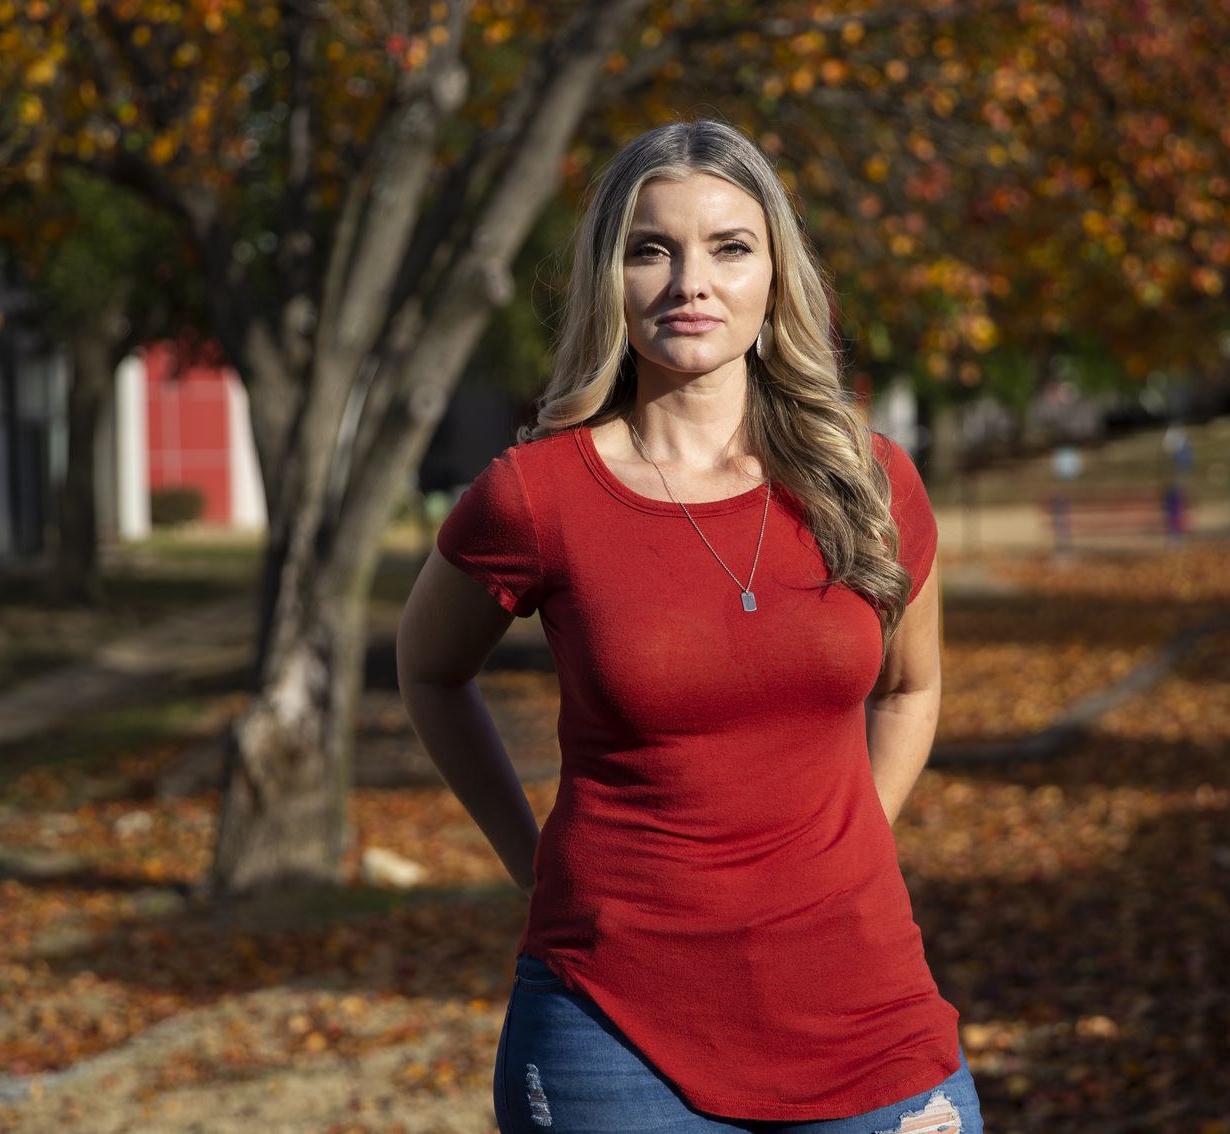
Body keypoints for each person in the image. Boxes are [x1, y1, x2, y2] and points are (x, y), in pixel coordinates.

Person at [396, 120, 982, 1134]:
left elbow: (910, 686)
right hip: (611, 1027)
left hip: (866, 1010)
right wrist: (534, 868)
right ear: (608, 278)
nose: (688, 282)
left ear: (775, 275)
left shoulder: (872, 482)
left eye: (728, 246)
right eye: (649, 248)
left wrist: (847, 843)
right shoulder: (535, 496)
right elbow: (429, 670)